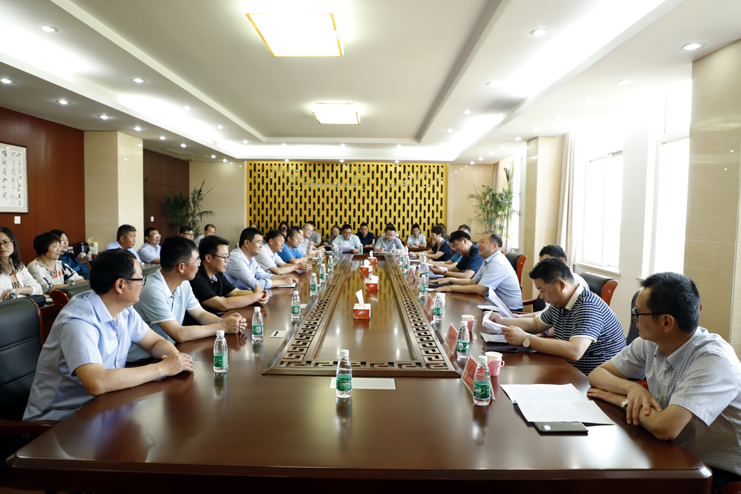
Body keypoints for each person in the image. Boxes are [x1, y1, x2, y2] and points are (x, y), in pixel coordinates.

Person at [587, 272, 741, 491]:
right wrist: (631, 388)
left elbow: (664, 427)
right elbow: (597, 374)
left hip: (719, 473)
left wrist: (620, 399)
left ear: (666, 322)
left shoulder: (713, 360)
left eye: (637, 313)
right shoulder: (650, 342)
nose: (634, 319)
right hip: (673, 451)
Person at [23, 249, 194, 421]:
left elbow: (154, 342)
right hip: (62, 419)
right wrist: (163, 368)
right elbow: (96, 383)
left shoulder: (125, 310)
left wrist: (175, 359)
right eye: (140, 279)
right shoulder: (79, 320)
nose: (143, 284)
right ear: (120, 285)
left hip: (105, 404)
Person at [489, 257, 625, 375]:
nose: (541, 297)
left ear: (561, 285)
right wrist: (502, 320)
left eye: (542, 291)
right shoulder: (560, 303)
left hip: (595, 379)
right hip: (570, 369)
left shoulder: (588, 306)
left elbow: (574, 351)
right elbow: (537, 324)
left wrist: (526, 339)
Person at [127, 236, 247, 362]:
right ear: (181, 267)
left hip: (169, 352)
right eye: (196, 260)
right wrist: (223, 327)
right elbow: (179, 333)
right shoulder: (153, 290)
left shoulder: (183, 283)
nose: (199, 264)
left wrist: (225, 322)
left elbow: (200, 314)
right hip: (142, 360)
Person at [185, 235, 268, 323]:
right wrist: (255, 296)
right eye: (224, 257)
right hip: (200, 327)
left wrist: (261, 294)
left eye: (228, 257)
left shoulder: (217, 274)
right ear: (209, 258)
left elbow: (235, 292)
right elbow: (223, 304)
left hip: (215, 323)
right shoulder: (196, 278)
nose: (227, 260)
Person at [432, 232, 522, 311]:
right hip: (492, 306)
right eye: (479, 242)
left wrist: (451, 288)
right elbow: (472, 281)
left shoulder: (497, 262)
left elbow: (479, 289)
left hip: (508, 311)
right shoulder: (488, 260)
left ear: (494, 246)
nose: (478, 245)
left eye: (482, 242)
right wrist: (449, 280)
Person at [225, 228, 298, 290]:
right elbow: (255, 285)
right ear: (247, 243)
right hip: (235, 299)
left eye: (262, 242)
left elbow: (262, 275)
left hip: (248, 295)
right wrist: (283, 282)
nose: (261, 246)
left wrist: (283, 277)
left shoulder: (251, 257)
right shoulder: (237, 259)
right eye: (259, 242)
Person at [0, 227, 43, 301]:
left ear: (13, 243)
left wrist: (19, 290)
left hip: (22, 305)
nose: (2, 246)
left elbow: (38, 289)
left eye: (5, 242)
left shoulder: (19, 265)